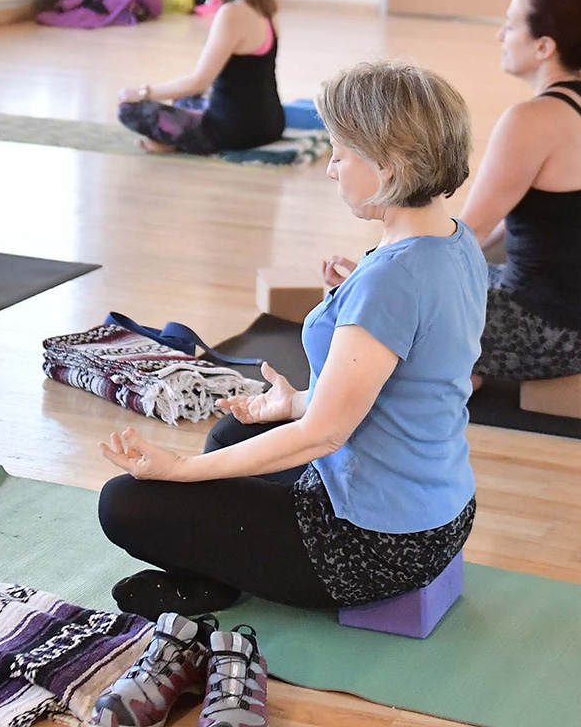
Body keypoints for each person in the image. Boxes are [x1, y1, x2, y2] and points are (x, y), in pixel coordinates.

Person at [98, 62, 485, 618]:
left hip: (374, 545)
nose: (330, 169)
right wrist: (295, 401)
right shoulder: (455, 240)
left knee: (126, 502)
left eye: (340, 154)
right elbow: (414, 383)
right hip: (439, 512)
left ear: (389, 165)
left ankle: (212, 578)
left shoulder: (390, 281)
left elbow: (323, 436)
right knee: (234, 433)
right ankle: (221, 571)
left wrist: (177, 469)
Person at [460, 0, 581, 382]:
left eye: (511, 25)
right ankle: (463, 374)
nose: (500, 34)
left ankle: (453, 377)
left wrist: (379, 276)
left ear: (543, 46)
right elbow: (490, 231)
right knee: (445, 283)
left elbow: (465, 234)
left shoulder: (530, 121)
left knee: (378, 308)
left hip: (554, 329)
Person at [117, 0, 284, 155]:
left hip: (233, 131)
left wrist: (143, 92)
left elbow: (200, 81)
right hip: (272, 124)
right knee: (184, 99)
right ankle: (172, 140)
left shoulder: (231, 13)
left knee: (129, 109)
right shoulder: (268, 9)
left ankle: (173, 143)